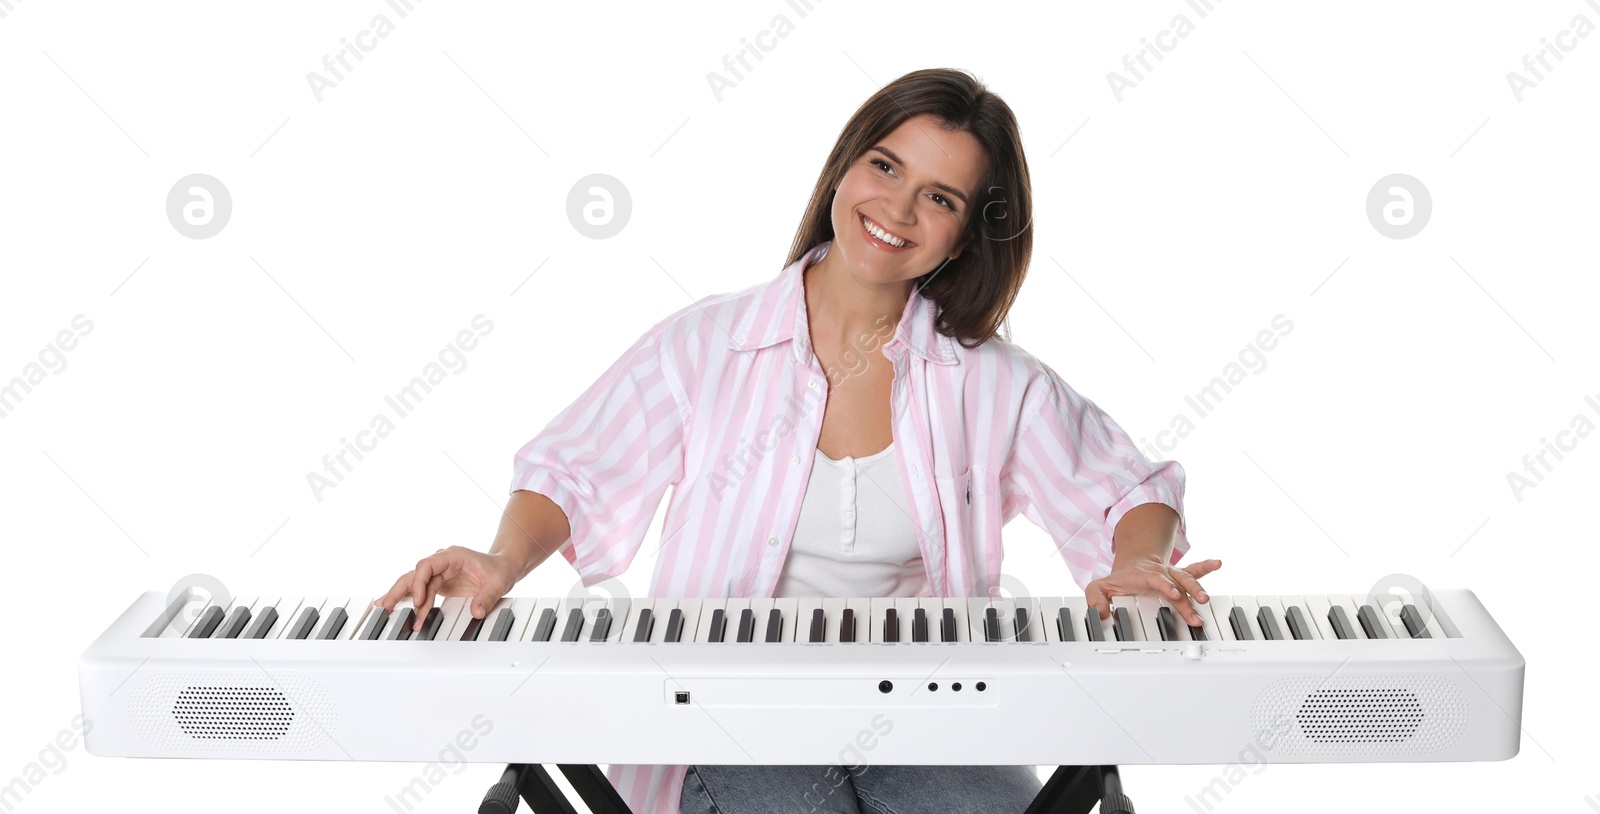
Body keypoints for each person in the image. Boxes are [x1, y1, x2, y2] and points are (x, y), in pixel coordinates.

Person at [375, 67, 1221, 814]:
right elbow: (573, 470)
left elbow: (1127, 488)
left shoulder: (991, 380)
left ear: (966, 233)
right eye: (885, 166)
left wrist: (1139, 561)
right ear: (845, 166)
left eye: (940, 196)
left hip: (927, 713)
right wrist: (499, 563)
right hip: (723, 708)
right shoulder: (707, 343)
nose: (896, 208)